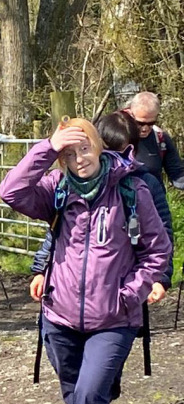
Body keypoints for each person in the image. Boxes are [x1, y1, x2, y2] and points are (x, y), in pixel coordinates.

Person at [0, 118, 170, 404]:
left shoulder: (131, 188)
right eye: (69, 153)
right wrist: (47, 146)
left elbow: (157, 250)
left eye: (84, 148)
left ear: (98, 145)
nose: (79, 159)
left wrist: (128, 294)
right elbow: (9, 191)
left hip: (113, 320)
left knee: (92, 395)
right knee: (80, 402)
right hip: (59, 319)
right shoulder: (56, 191)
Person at [30, 110, 174, 304]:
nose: (115, 159)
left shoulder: (144, 183)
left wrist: (160, 278)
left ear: (134, 149)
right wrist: (41, 269)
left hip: (128, 277)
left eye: (123, 151)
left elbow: (161, 233)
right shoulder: (73, 184)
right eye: (109, 150)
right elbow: (58, 231)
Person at [125, 91, 184, 189]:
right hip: (124, 201)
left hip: (155, 200)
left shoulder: (161, 139)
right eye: (140, 123)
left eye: (151, 123)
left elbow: (177, 174)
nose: (145, 128)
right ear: (131, 114)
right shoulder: (116, 137)